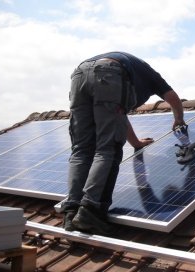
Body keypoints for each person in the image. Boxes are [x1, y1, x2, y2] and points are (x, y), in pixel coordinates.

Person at [61, 52, 186, 235]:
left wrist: (135, 142)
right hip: (108, 72)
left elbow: (118, 117)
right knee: (107, 149)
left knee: (81, 149)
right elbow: (173, 98)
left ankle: (71, 212)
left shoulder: (134, 72)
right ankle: (90, 211)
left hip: (80, 74)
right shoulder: (152, 76)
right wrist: (179, 119)